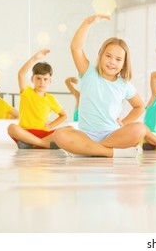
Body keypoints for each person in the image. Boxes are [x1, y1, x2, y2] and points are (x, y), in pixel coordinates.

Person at [53, 14, 146, 157]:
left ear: (123, 64)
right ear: (100, 55)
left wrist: (124, 122)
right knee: (59, 134)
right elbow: (75, 48)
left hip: (112, 135)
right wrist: (86, 24)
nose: (112, 62)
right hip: (85, 135)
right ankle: (110, 153)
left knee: (140, 129)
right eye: (108, 56)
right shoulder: (88, 73)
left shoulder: (124, 85)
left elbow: (139, 106)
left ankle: (89, 150)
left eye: (118, 59)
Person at [7, 49, 66, 148]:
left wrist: (50, 126)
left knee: (69, 129)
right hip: (25, 132)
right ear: (32, 79)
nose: (42, 82)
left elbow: (63, 115)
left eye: (45, 79)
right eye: (38, 78)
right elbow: (21, 74)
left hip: (42, 132)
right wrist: (34, 58)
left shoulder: (51, 99)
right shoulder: (26, 92)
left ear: (50, 81)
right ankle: (43, 144)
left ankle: (31, 143)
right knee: (11, 128)